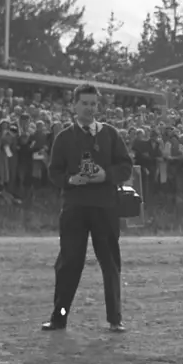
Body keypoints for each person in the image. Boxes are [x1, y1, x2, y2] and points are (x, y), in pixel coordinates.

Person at [43, 83, 134, 332]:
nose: (90, 108)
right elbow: (54, 171)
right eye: (85, 103)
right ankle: (59, 317)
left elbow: (126, 166)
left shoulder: (110, 134)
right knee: (69, 263)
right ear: (74, 105)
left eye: (93, 104)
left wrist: (106, 175)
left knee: (110, 263)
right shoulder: (64, 138)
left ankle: (115, 319)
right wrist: (70, 180)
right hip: (75, 207)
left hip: (105, 207)